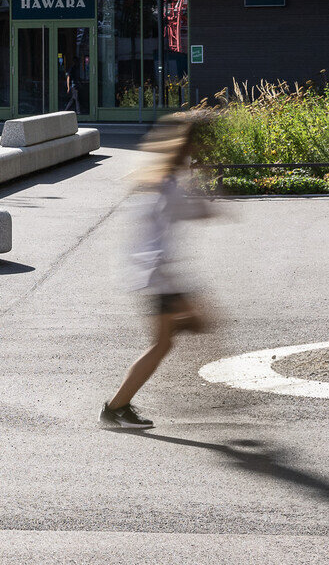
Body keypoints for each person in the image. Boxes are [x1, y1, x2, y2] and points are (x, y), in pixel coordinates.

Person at [101, 109, 215, 430]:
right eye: (196, 151)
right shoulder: (167, 186)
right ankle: (113, 410)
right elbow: (199, 212)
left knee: (167, 340)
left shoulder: (159, 180)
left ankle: (116, 408)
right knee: (187, 330)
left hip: (152, 275)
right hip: (159, 277)